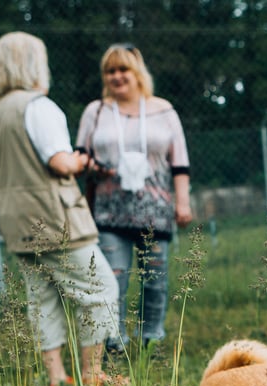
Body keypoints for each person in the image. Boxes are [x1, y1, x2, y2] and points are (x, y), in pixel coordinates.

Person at [0, 31, 125, 386]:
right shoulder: (38, 106)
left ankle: (54, 378)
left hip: (16, 221)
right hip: (53, 217)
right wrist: (80, 160)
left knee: (42, 297)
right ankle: (92, 376)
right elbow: (59, 162)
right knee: (100, 289)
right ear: (34, 64)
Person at [75, 44, 193, 357]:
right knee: (114, 278)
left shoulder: (163, 110)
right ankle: (115, 341)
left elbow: (179, 161)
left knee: (154, 278)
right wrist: (96, 167)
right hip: (109, 211)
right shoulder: (96, 111)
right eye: (110, 71)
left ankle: (150, 338)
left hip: (154, 210)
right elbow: (80, 155)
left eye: (123, 69)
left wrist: (183, 202)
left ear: (137, 72)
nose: (117, 77)